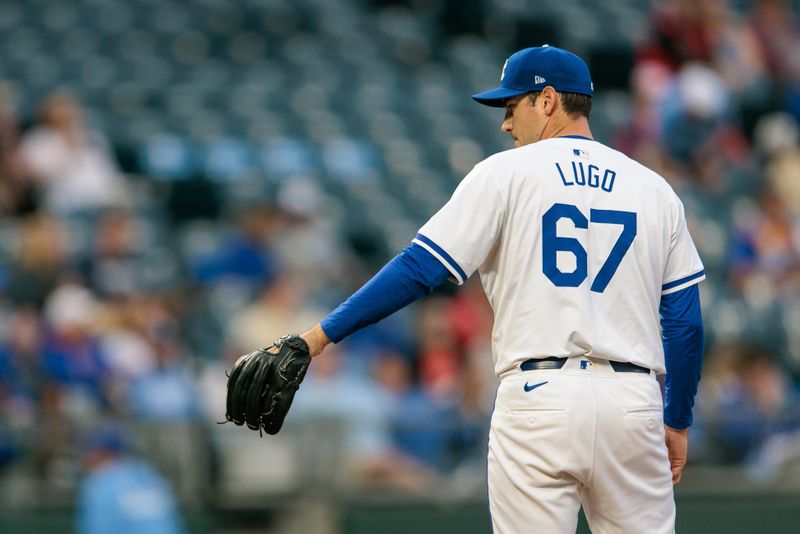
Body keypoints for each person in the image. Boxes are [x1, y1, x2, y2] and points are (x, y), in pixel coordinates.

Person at [270, 46, 705, 533]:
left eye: (511, 105)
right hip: (633, 399)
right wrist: (677, 421)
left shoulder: (505, 174)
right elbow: (685, 322)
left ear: (546, 101)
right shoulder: (653, 189)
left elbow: (419, 269)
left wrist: (317, 337)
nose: (505, 123)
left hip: (540, 396)